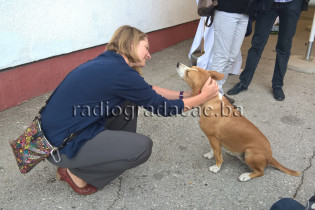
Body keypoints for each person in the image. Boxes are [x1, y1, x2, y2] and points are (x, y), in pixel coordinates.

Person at [40, 25, 219, 195]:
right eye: (146, 48)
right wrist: (202, 98)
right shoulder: (120, 72)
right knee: (141, 148)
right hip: (60, 146)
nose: (149, 55)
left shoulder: (110, 63)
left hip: (58, 134)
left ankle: (93, 155)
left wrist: (185, 95)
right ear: (131, 45)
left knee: (129, 100)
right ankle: (76, 172)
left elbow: (146, 90)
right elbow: (163, 108)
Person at [227, 0, 303, 101]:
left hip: (292, 4)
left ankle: (277, 86)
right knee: (257, 45)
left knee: (284, 47)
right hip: (268, 3)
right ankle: (244, 82)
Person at [209, 0, 256, 104]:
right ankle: (212, 95)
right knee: (221, 56)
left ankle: (218, 91)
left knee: (231, 57)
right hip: (225, 10)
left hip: (245, 12)